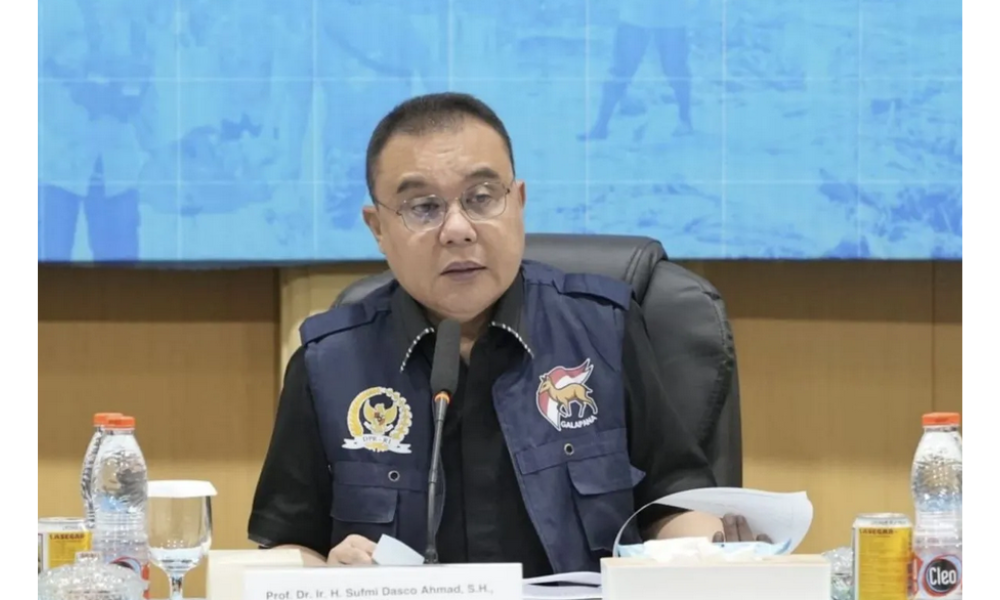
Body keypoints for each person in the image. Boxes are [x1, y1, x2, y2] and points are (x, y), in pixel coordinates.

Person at [248, 92, 768, 575]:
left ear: (517, 202)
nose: (457, 230)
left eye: (481, 197)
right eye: (423, 208)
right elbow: (290, 545)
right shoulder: (328, 364)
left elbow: (673, 501)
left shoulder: (604, 330)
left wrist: (706, 549)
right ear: (378, 228)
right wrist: (326, 575)